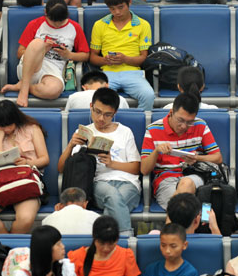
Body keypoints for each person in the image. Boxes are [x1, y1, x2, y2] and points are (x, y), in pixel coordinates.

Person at [58, 88, 141, 235]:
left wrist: (112, 163)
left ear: (114, 113)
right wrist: (71, 145)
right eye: (97, 112)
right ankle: (126, 238)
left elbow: (136, 168)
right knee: (112, 195)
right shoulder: (83, 133)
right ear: (91, 106)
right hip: (99, 183)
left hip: (129, 183)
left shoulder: (125, 131)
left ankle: (101, 238)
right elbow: (61, 168)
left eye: (107, 114)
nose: (101, 118)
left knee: (114, 202)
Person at [1, 0, 89, 107]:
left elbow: (85, 55)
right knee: (37, 43)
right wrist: (43, 49)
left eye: (61, 22)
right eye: (53, 22)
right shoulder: (35, 24)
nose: (57, 25)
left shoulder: (74, 27)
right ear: (45, 14)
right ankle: (23, 91)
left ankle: (23, 86)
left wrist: (69, 55)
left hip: (54, 70)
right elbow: (20, 53)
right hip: (31, 67)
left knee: (53, 91)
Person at [0, 100, 49, 234]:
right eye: (1, 126)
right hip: (1, 181)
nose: (6, 129)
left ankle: (11, 247)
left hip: (26, 178)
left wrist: (27, 163)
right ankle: (7, 246)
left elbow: (45, 159)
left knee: (25, 218)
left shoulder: (32, 129)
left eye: (9, 125)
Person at [141, 92, 222, 209]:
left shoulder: (200, 125)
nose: (184, 126)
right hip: (166, 180)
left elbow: (217, 158)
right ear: (171, 112)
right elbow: (144, 170)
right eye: (180, 120)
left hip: (194, 175)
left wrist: (197, 157)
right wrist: (156, 151)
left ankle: (172, 226)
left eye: (189, 122)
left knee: (186, 184)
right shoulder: (153, 129)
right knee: (187, 207)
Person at [89, 0, 155, 111]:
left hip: (133, 73)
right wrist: (105, 60)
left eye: (120, 7)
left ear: (129, 2)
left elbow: (143, 57)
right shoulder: (99, 25)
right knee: (95, 98)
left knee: (149, 95)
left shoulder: (143, 25)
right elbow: (92, 57)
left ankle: (138, 124)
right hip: (107, 73)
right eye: (112, 9)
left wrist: (125, 59)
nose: (117, 12)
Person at [68, 215, 140, 276]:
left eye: (111, 244)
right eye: (101, 244)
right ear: (94, 239)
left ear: (117, 240)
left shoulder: (125, 255)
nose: (106, 249)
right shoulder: (77, 257)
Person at [133, 223, 199, 276]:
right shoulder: (150, 270)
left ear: (184, 245)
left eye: (173, 246)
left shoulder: (190, 273)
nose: (167, 251)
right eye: (163, 245)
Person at [12, 226, 77, 276]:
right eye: (58, 244)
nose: (63, 246)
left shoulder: (67, 268)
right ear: (45, 249)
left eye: (61, 242)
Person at [64, 70, 129, 111]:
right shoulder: (120, 99)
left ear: (84, 87)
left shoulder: (73, 97)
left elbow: (66, 119)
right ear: (107, 86)